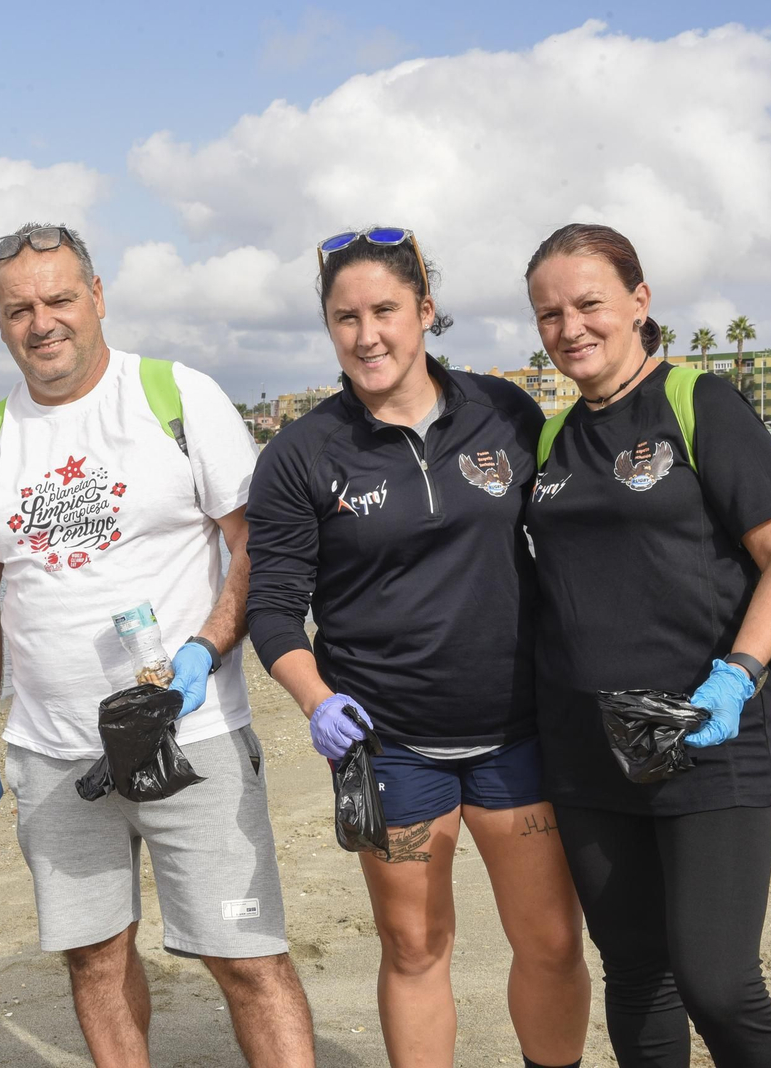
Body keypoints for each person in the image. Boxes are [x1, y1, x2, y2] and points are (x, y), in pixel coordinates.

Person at [0, 222, 316, 1068]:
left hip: (191, 737)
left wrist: (205, 651)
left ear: (97, 299)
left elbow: (255, 544)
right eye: (18, 308)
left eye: (60, 299)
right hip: (56, 754)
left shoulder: (176, 397)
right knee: (96, 958)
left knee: (247, 959)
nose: (42, 322)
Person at [245, 227, 589, 1068]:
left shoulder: (504, 412)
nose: (367, 335)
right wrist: (317, 700)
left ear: (426, 313)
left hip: (519, 732)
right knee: (414, 946)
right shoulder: (301, 454)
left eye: (385, 311)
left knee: (549, 942)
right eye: (345, 317)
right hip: (391, 745)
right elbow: (275, 612)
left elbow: (581, 537)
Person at [524, 223, 771, 1067]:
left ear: (639, 302)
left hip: (706, 733)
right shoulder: (552, 438)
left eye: (589, 304)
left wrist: (737, 676)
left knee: (719, 981)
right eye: (549, 315)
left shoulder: (700, 403)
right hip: (586, 751)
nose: (570, 328)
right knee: (637, 973)